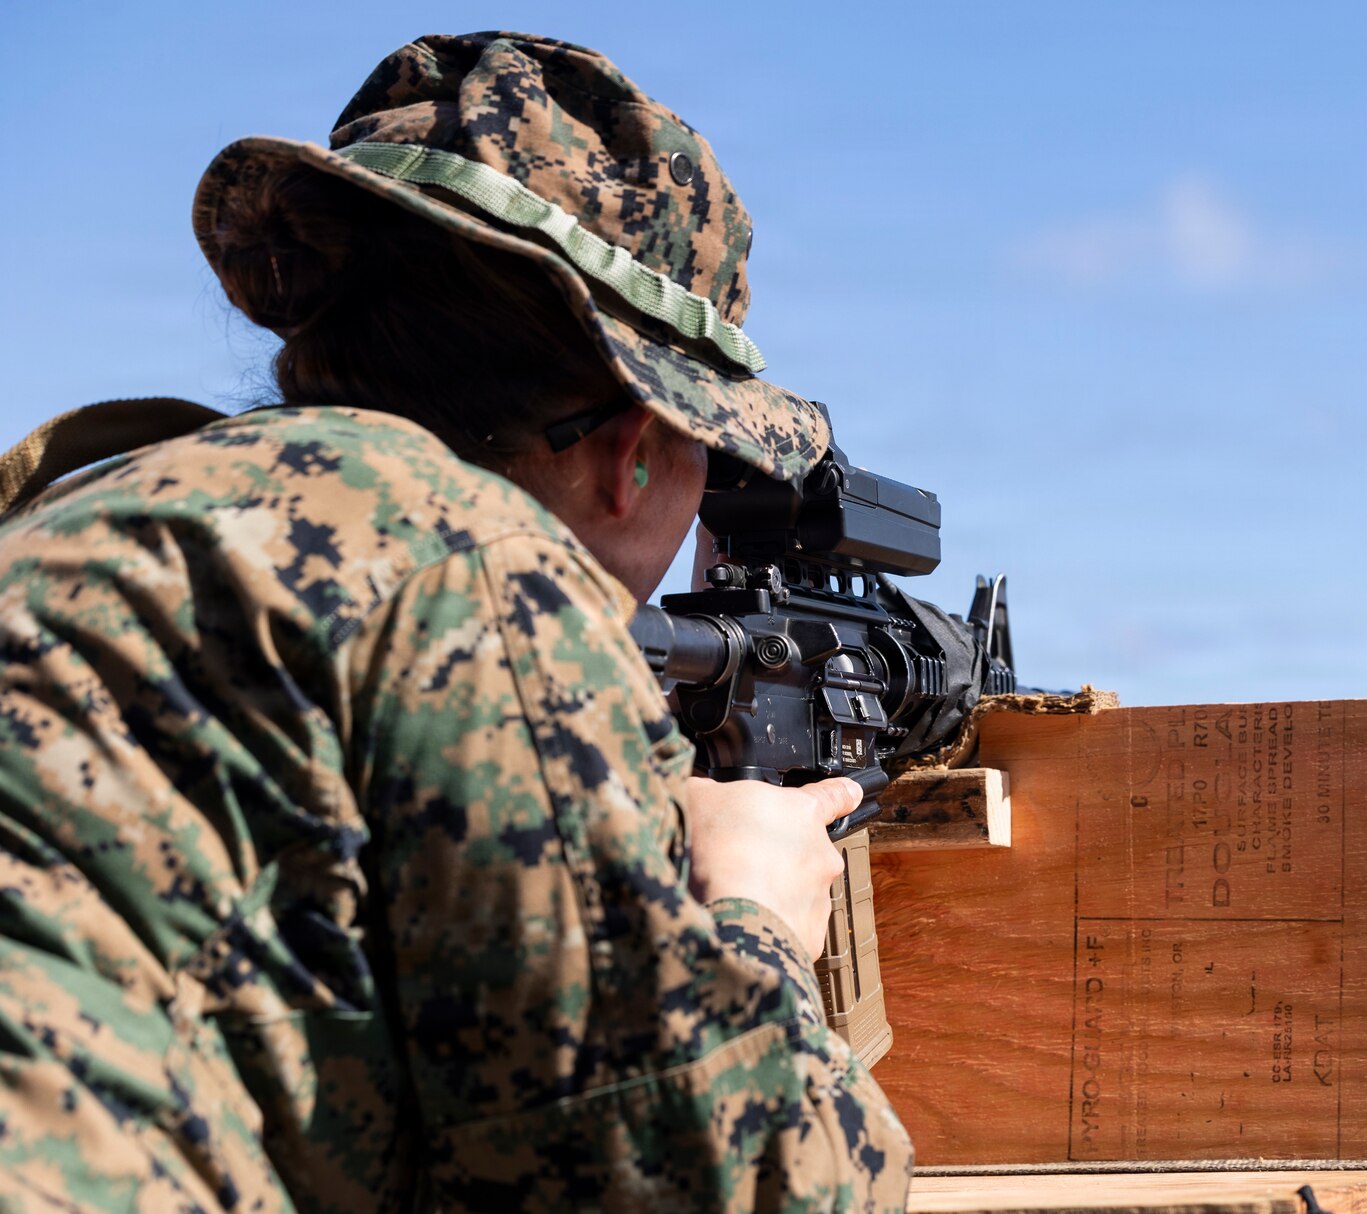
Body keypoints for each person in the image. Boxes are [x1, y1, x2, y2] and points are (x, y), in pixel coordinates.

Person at [0, 31, 913, 1213]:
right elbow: (731, 1186)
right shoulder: (478, 566)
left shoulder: (88, 501)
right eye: (710, 456)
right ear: (638, 452)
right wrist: (757, 912)